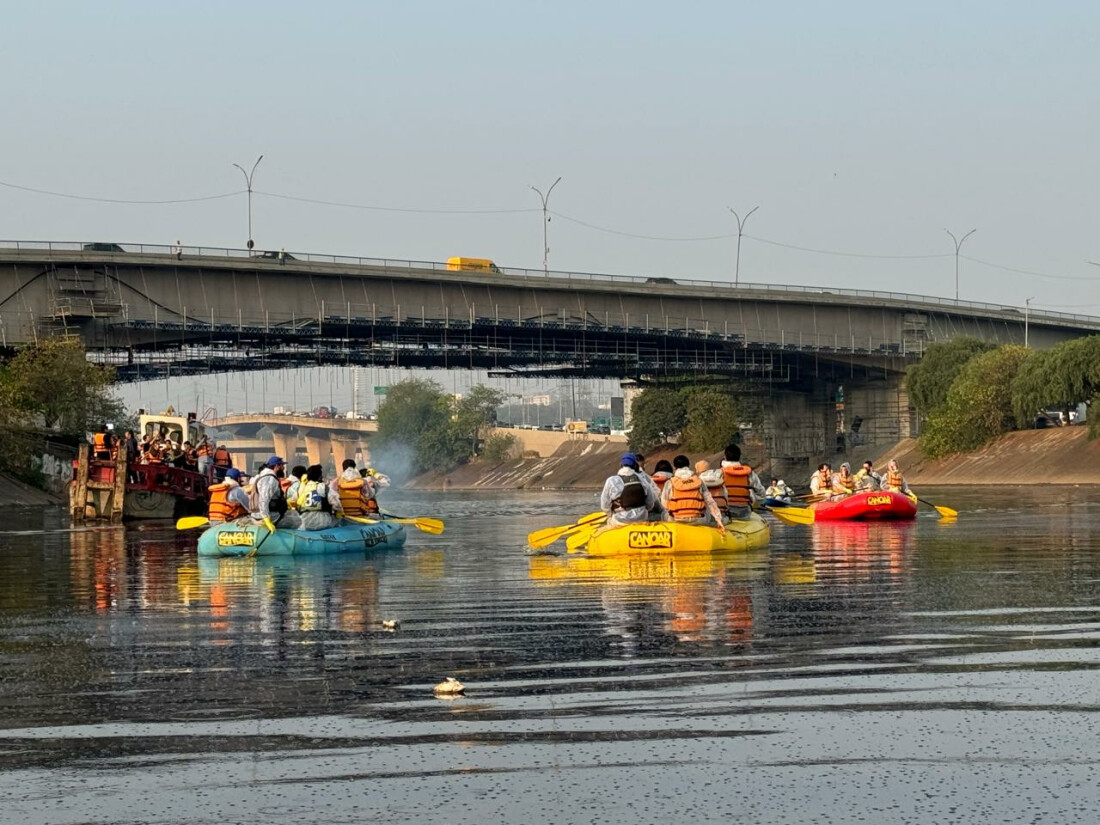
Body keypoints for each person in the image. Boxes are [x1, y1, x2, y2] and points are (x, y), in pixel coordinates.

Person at [661, 455, 725, 532]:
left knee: (663, 514)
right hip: (698, 521)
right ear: (689, 466)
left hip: (677, 520)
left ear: (674, 468)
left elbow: (664, 504)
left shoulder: (670, 483)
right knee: (707, 506)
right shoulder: (699, 481)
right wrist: (719, 520)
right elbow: (710, 502)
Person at [600, 453, 658, 526]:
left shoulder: (611, 481)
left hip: (620, 521)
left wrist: (610, 514)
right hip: (642, 519)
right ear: (635, 465)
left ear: (621, 465)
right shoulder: (643, 480)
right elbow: (650, 504)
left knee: (608, 522)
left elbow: (605, 506)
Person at [250, 455, 299, 530]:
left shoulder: (261, 476)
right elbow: (264, 500)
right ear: (277, 466)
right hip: (270, 517)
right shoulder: (270, 479)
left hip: (257, 515)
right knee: (298, 519)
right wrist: (267, 519)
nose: (283, 468)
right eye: (282, 465)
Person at [720, 444, 766, 520]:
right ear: (739, 457)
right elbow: (761, 494)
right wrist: (755, 504)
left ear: (725, 457)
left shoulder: (719, 473)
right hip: (744, 513)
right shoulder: (750, 474)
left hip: (725, 513)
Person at [295, 464, 344, 530]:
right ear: (320, 477)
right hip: (322, 521)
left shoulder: (301, 488)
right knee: (338, 519)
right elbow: (337, 505)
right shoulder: (323, 487)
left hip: (304, 520)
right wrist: (338, 513)